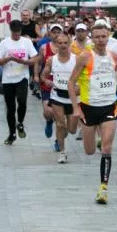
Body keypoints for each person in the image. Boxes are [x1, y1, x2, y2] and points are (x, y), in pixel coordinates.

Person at [68, 23, 117, 204]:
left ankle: (103, 188)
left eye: (104, 36)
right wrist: (75, 107)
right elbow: (71, 82)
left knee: (107, 148)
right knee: (89, 151)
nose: (101, 40)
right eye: (97, 37)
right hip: (89, 108)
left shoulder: (114, 56)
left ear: (108, 36)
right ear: (92, 38)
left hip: (109, 106)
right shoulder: (85, 56)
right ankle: (96, 138)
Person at [0, 20, 39, 145]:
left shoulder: (26, 42)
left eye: (18, 33)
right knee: (10, 108)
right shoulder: (4, 43)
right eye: (14, 33)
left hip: (22, 77)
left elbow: (34, 59)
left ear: (21, 31)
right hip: (8, 79)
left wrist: (24, 61)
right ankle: (12, 134)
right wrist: (8, 58)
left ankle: (20, 123)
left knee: (22, 101)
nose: (16, 35)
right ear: (11, 31)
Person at [40, 32, 78, 163]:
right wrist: (46, 81)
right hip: (57, 96)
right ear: (56, 44)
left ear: (69, 43)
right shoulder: (52, 60)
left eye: (65, 43)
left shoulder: (76, 59)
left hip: (72, 97)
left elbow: (85, 76)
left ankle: (63, 131)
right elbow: (43, 75)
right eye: (60, 43)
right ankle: (62, 152)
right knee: (60, 124)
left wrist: (80, 87)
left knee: (72, 130)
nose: (63, 45)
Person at [34, 24, 63, 148]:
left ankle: (58, 140)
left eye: (58, 32)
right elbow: (38, 62)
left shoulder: (66, 48)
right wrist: (36, 75)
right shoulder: (44, 48)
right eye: (53, 32)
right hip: (46, 82)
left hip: (61, 84)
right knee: (48, 112)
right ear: (49, 34)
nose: (56, 34)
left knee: (60, 116)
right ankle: (49, 121)